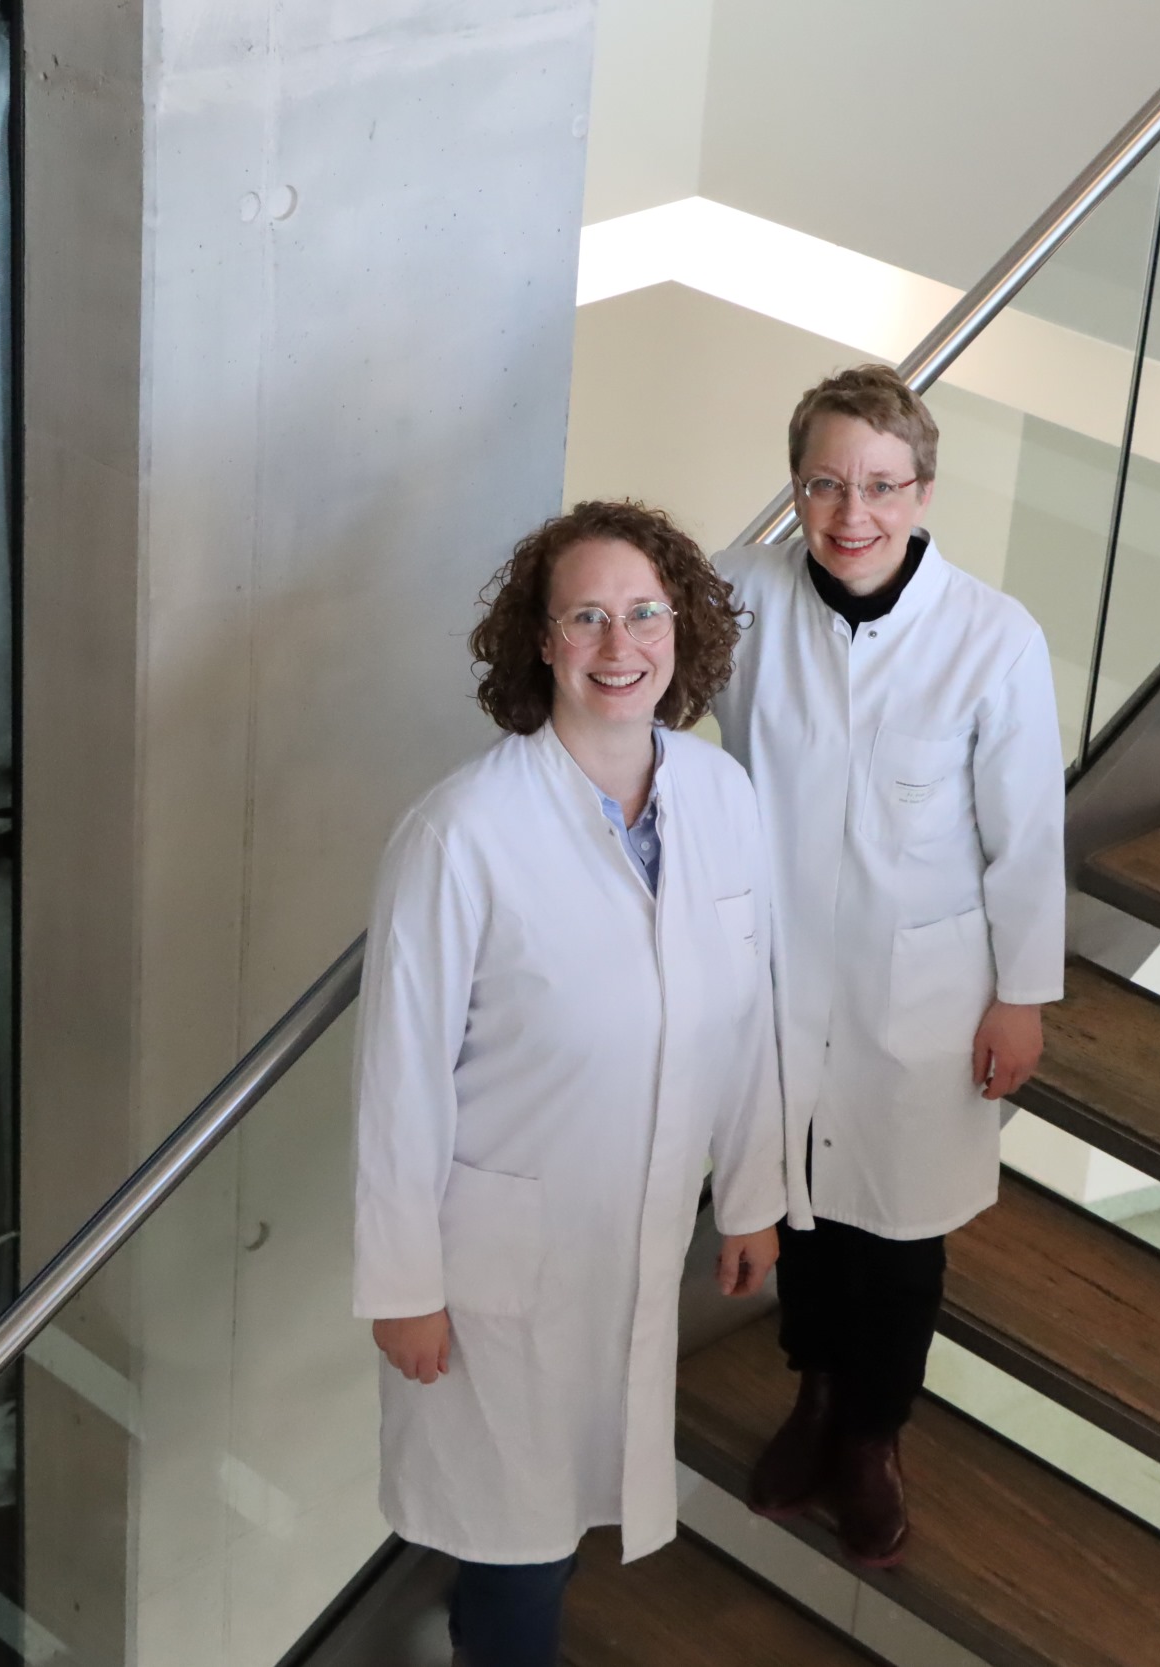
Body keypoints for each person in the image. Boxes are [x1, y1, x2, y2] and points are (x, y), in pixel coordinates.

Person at [353, 500, 800, 1667]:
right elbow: (399, 1078)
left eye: (644, 611)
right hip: (496, 1250)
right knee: (517, 1545)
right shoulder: (461, 833)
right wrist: (401, 1281)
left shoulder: (721, 797)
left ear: (682, 627)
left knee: (569, 1508)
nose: (620, 644)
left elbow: (751, 1012)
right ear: (541, 641)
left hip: (637, 1226)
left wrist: (750, 1191)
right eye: (587, 616)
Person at [713, 365, 1065, 1565]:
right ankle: (810, 1395)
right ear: (797, 486)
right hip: (775, 972)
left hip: (925, 986)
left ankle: (872, 1435)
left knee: (901, 1226)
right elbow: (636, 674)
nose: (849, 513)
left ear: (922, 490)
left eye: (878, 484)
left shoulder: (990, 636)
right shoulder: (742, 592)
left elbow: (1024, 834)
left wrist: (1021, 995)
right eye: (823, 483)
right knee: (801, 1203)